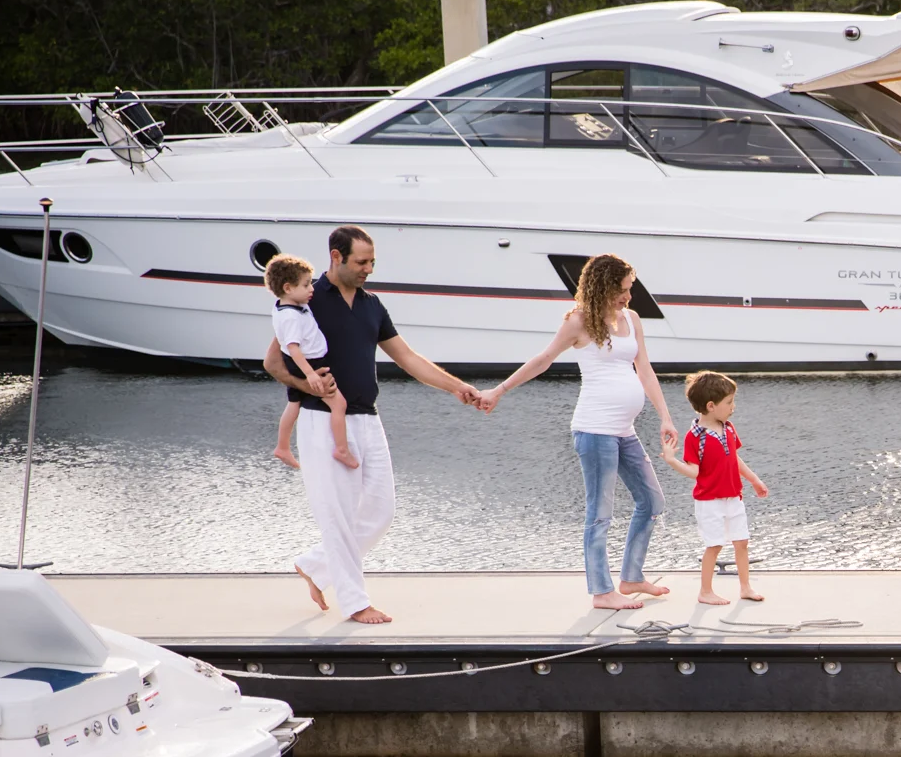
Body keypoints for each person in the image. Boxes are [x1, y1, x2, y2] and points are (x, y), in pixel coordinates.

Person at [261, 225, 482, 625]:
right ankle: (355, 603)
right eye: (361, 262)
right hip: (322, 419)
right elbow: (273, 363)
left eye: (372, 262)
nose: (368, 269)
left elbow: (407, 358)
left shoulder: (372, 304)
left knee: (381, 511)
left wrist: (456, 387)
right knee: (338, 516)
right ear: (336, 257)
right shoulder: (306, 299)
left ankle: (314, 565)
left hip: (367, 417)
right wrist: (306, 383)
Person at [477, 254, 680, 610]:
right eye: (623, 290)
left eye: (630, 289)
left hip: (624, 430)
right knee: (600, 513)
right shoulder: (579, 321)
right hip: (594, 430)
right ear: (603, 285)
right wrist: (499, 390)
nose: (628, 297)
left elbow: (644, 369)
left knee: (651, 501)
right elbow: (542, 360)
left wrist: (665, 416)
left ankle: (631, 578)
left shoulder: (631, 319)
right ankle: (602, 592)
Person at [660, 370, 769, 605]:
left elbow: (734, 459)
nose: (733, 406)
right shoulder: (695, 437)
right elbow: (694, 472)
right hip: (710, 501)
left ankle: (745, 587)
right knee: (715, 544)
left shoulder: (728, 428)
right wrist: (671, 460)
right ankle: (705, 591)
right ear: (711, 405)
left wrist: (754, 479)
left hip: (733, 497)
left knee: (742, 542)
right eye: (729, 402)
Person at [263, 253, 354, 472]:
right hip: (310, 364)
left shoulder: (285, 307)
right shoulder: (291, 317)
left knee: (294, 404)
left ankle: (282, 446)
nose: (312, 289)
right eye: (306, 285)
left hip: (301, 364)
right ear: (288, 288)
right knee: (338, 404)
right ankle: (341, 449)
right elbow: (293, 347)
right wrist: (311, 374)